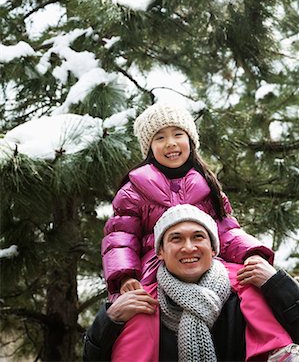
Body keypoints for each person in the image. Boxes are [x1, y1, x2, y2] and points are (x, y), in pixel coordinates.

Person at [101, 102, 295, 360]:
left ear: (191, 140)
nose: (170, 143)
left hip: (208, 262)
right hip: (155, 265)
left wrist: (251, 253)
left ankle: (274, 349)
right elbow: (120, 239)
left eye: (178, 134)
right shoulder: (134, 188)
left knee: (247, 285)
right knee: (144, 308)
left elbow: (226, 228)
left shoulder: (205, 182)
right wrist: (125, 277)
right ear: (149, 147)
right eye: (160, 137)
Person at [85, 205, 299, 362]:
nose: (189, 247)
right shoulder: (141, 303)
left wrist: (277, 283)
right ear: (160, 252)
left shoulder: (248, 286)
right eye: (176, 239)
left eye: (198, 237)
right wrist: (109, 319)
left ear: (214, 249)